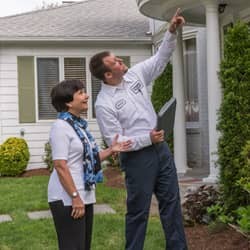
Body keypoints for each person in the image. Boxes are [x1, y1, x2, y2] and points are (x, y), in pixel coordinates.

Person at [89, 8, 187, 250]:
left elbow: (160, 59)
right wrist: (147, 139)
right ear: (108, 74)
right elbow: (116, 141)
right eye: (116, 62)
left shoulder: (134, 76)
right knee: (138, 212)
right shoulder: (104, 104)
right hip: (137, 159)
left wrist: (171, 31)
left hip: (161, 151)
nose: (122, 61)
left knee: (172, 204)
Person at [48, 79, 131, 250]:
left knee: (83, 246)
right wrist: (74, 196)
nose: (86, 96)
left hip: (83, 195)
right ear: (68, 102)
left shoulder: (79, 127)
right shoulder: (60, 127)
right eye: (80, 93)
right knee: (72, 246)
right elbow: (60, 165)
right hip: (67, 198)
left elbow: (88, 159)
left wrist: (111, 150)